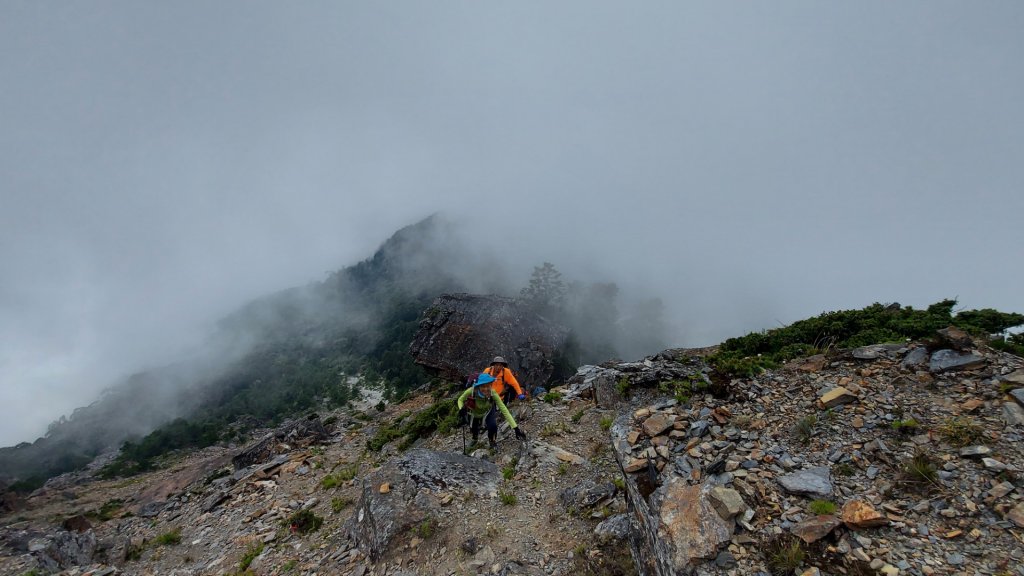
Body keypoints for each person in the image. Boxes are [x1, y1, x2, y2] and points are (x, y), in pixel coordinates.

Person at [458, 373, 527, 448]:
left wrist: (516, 428)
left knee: (493, 426)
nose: (486, 389)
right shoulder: (471, 391)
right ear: (478, 386)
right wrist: (461, 408)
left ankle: (492, 441)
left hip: (488, 411)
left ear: (491, 385)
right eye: (483, 386)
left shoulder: (493, 393)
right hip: (475, 412)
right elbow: (460, 400)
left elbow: (504, 410)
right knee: (474, 428)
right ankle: (475, 439)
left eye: (488, 386)